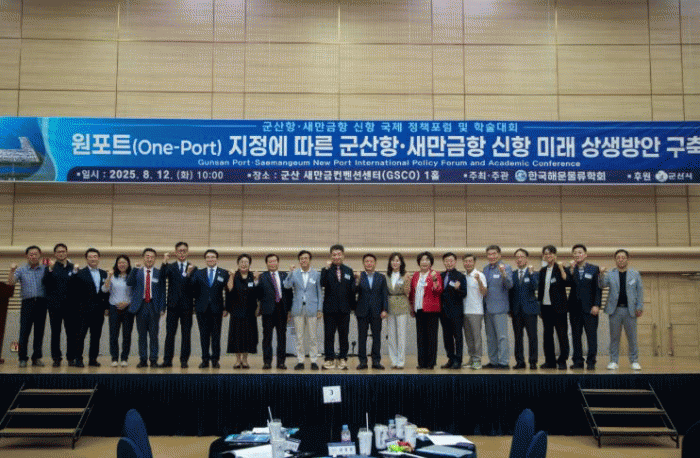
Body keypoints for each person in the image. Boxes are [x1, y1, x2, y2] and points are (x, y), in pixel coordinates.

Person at [599, 249, 644, 371]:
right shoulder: (610, 274)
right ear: (615, 260)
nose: (621, 260)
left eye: (623, 257)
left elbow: (639, 292)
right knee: (614, 338)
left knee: (632, 338)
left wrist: (639, 306)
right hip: (615, 310)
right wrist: (601, 274)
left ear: (627, 259)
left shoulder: (635, 274)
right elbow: (602, 285)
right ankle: (613, 361)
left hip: (630, 310)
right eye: (618, 258)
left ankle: (634, 361)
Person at [189, 249, 230, 369]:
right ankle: (205, 359)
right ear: (205, 259)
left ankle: (215, 360)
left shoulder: (224, 273)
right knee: (204, 335)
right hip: (202, 309)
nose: (210, 259)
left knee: (216, 336)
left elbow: (228, 292)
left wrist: (226, 307)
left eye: (212, 257)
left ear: (217, 259)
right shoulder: (198, 273)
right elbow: (192, 289)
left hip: (217, 309)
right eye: (208, 257)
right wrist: (189, 274)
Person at [8, 245, 48, 367]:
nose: (33, 256)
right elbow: (11, 283)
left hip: (41, 303)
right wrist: (12, 270)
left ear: (39, 255)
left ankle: (36, 358)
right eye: (31, 254)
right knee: (24, 332)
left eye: (36, 254)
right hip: (27, 303)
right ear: (27, 256)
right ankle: (22, 358)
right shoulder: (21, 270)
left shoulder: (45, 269)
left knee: (39, 332)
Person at [283, 250, 322, 371]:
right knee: (299, 337)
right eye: (301, 259)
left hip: (312, 309)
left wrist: (319, 309)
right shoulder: (294, 274)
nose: (303, 260)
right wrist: (290, 273)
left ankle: (313, 360)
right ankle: (300, 360)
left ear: (310, 260)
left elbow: (319, 293)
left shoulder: (316, 274)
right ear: (299, 261)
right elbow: (286, 285)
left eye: (306, 258)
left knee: (313, 337)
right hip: (298, 309)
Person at [69, 248, 109, 367]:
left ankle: (93, 359)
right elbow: (72, 289)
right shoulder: (80, 273)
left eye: (95, 256)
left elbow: (106, 292)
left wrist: (106, 307)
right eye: (90, 257)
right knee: (80, 336)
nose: (93, 259)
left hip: (98, 310)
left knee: (96, 336)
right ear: (86, 259)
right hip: (82, 310)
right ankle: (78, 359)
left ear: (99, 258)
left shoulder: (104, 273)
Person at [127, 248, 166, 368]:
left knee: (154, 335)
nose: (149, 259)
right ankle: (143, 360)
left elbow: (162, 291)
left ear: (155, 259)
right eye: (147, 256)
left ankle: (153, 360)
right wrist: (134, 269)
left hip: (154, 306)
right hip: (141, 306)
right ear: (143, 258)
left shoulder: (159, 273)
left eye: (152, 257)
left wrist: (162, 307)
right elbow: (129, 282)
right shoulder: (137, 271)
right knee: (142, 335)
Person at [320, 244, 356, 370]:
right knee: (329, 335)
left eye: (339, 254)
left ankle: (342, 358)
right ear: (331, 256)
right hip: (329, 309)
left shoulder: (349, 270)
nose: (337, 257)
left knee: (344, 335)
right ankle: (329, 359)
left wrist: (353, 307)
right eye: (334, 255)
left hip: (344, 309)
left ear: (343, 255)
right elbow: (322, 283)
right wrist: (326, 268)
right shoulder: (326, 270)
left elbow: (352, 290)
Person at [160, 242, 195, 368]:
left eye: (184, 251)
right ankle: (167, 360)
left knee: (186, 334)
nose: (182, 253)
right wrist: (164, 262)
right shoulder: (170, 267)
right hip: (172, 306)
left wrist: (189, 274)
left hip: (187, 307)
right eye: (179, 251)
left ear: (187, 252)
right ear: (175, 252)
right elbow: (161, 277)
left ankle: (184, 360)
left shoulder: (193, 268)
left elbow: (194, 287)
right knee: (170, 334)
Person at [567, 244, 602, 370]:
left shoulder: (594, 269)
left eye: (580, 252)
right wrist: (571, 271)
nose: (577, 255)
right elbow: (568, 283)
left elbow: (598, 288)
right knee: (576, 336)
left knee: (591, 336)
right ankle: (578, 361)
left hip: (590, 309)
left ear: (585, 255)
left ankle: (591, 361)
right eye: (575, 253)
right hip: (574, 309)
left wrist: (597, 305)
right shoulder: (570, 269)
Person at [409, 251, 443, 370]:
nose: (424, 262)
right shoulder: (416, 275)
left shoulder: (435, 274)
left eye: (427, 260)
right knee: (420, 337)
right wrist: (412, 307)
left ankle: (430, 363)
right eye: (422, 260)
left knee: (431, 337)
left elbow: (438, 290)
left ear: (431, 262)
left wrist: (434, 280)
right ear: (419, 262)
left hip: (432, 310)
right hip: (419, 309)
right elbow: (412, 292)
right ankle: (421, 362)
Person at [42, 243, 75, 367]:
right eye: (59, 252)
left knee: (71, 333)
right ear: (55, 254)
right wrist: (50, 270)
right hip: (54, 306)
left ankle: (71, 358)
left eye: (63, 251)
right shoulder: (50, 267)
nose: (61, 254)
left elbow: (77, 285)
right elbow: (45, 283)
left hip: (70, 306)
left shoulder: (73, 267)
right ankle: (56, 358)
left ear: (67, 253)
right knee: (55, 332)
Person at [255, 253, 290, 370]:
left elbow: (289, 294)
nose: (272, 263)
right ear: (267, 264)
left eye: (274, 261)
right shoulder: (262, 276)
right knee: (267, 338)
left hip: (282, 311)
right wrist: (256, 281)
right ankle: (267, 362)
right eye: (270, 261)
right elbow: (258, 294)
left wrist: (289, 311)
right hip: (267, 311)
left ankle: (281, 362)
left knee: (282, 338)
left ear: (278, 263)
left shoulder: (285, 275)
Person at [537, 245, 569, 370]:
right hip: (546, 308)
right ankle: (550, 361)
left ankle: (562, 360)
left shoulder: (561, 268)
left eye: (550, 253)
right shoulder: (542, 271)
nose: (548, 256)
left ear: (555, 255)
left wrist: (561, 268)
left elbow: (567, 282)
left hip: (559, 308)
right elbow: (540, 290)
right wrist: (539, 306)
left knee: (562, 335)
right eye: (546, 254)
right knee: (547, 336)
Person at [354, 253, 388, 370]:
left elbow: (384, 295)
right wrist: (357, 280)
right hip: (362, 311)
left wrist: (385, 309)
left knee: (377, 337)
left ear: (375, 263)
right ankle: (362, 361)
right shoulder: (359, 276)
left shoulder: (381, 277)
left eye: (371, 261)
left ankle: (376, 361)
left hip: (377, 312)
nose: (369, 263)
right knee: (362, 337)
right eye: (366, 261)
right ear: (363, 263)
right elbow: (353, 291)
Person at [482, 245, 513, 369]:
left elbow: (510, 285)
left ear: (499, 255)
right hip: (487, 308)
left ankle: (504, 362)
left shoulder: (506, 267)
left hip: (500, 308)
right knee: (490, 338)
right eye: (489, 254)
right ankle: (493, 361)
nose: (492, 256)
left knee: (502, 337)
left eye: (494, 254)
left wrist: (503, 274)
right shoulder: (485, 269)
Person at [226, 254, 259, 369]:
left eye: (246, 262)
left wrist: (256, 280)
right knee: (236, 336)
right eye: (241, 262)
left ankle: (245, 360)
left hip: (250, 312)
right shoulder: (233, 275)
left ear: (249, 264)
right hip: (236, 311)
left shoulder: (252, 276)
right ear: (238, 264)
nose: (244, 264)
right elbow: (229, 289)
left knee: (248, 337)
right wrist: (231, 276)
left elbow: (257, 293)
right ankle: (237, 360)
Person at [509, 249, 540, 370]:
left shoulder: (534, 273)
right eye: (517, 257)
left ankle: (533, 361)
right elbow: (510, 293)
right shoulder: (512, 274)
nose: (519, 259)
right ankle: (520, 361)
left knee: (532, 337)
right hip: (516, 311)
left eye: (522, 257)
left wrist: (531, 274)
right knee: (518, 337)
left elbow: (535, 286)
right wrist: (510, 309)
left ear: (526, 259)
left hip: (530, 310)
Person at [103, 255, 134, 367]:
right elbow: (104, 289)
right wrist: (109, 277)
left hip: (128, 308)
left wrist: (127, 302)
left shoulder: (132, 276)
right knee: (113, 335)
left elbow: (136, 293)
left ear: (128, 264)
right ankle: (114, 358)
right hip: (114, 308)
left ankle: (124, 358)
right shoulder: (112, 276)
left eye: (124, 262)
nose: (122, 265)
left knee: (127, 335)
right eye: (120, 263)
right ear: (116, 265)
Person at [439, 252, 467, 370]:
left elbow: (464, 293)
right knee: (447, 337)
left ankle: (458, 360)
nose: (449, 263)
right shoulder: (440, 275)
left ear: (455, 262)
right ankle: (450, 359)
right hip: (443, 312)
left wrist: (457, 289)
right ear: (444, 262)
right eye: (446, 261)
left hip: (456, 312)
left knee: (458, 337)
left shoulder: (460, 276)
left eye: (451, 261)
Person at [385, 253, 411, 369]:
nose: (395, 263)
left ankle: (401, 361)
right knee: (391, 335)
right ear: (390, 263)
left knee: (401, 335)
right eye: (393, 260)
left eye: (397, 260)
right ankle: (394, 360)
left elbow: (407, 292)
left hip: (402, 305)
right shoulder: (386, 276)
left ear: (401, 262)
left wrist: (407, 282)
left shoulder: (405, 275)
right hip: (390, 306)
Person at [462, 254, 487, 370]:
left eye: (470, 261)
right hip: (464, 311)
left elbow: (484, 292)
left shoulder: (480, 275)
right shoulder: (463, 276)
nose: (468, 263)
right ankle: (472, 359)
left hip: (476, 311)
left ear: (474, 262)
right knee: (468, 337)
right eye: (466, 261)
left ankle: (477, 360)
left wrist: (479, 281)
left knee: (476, 337)